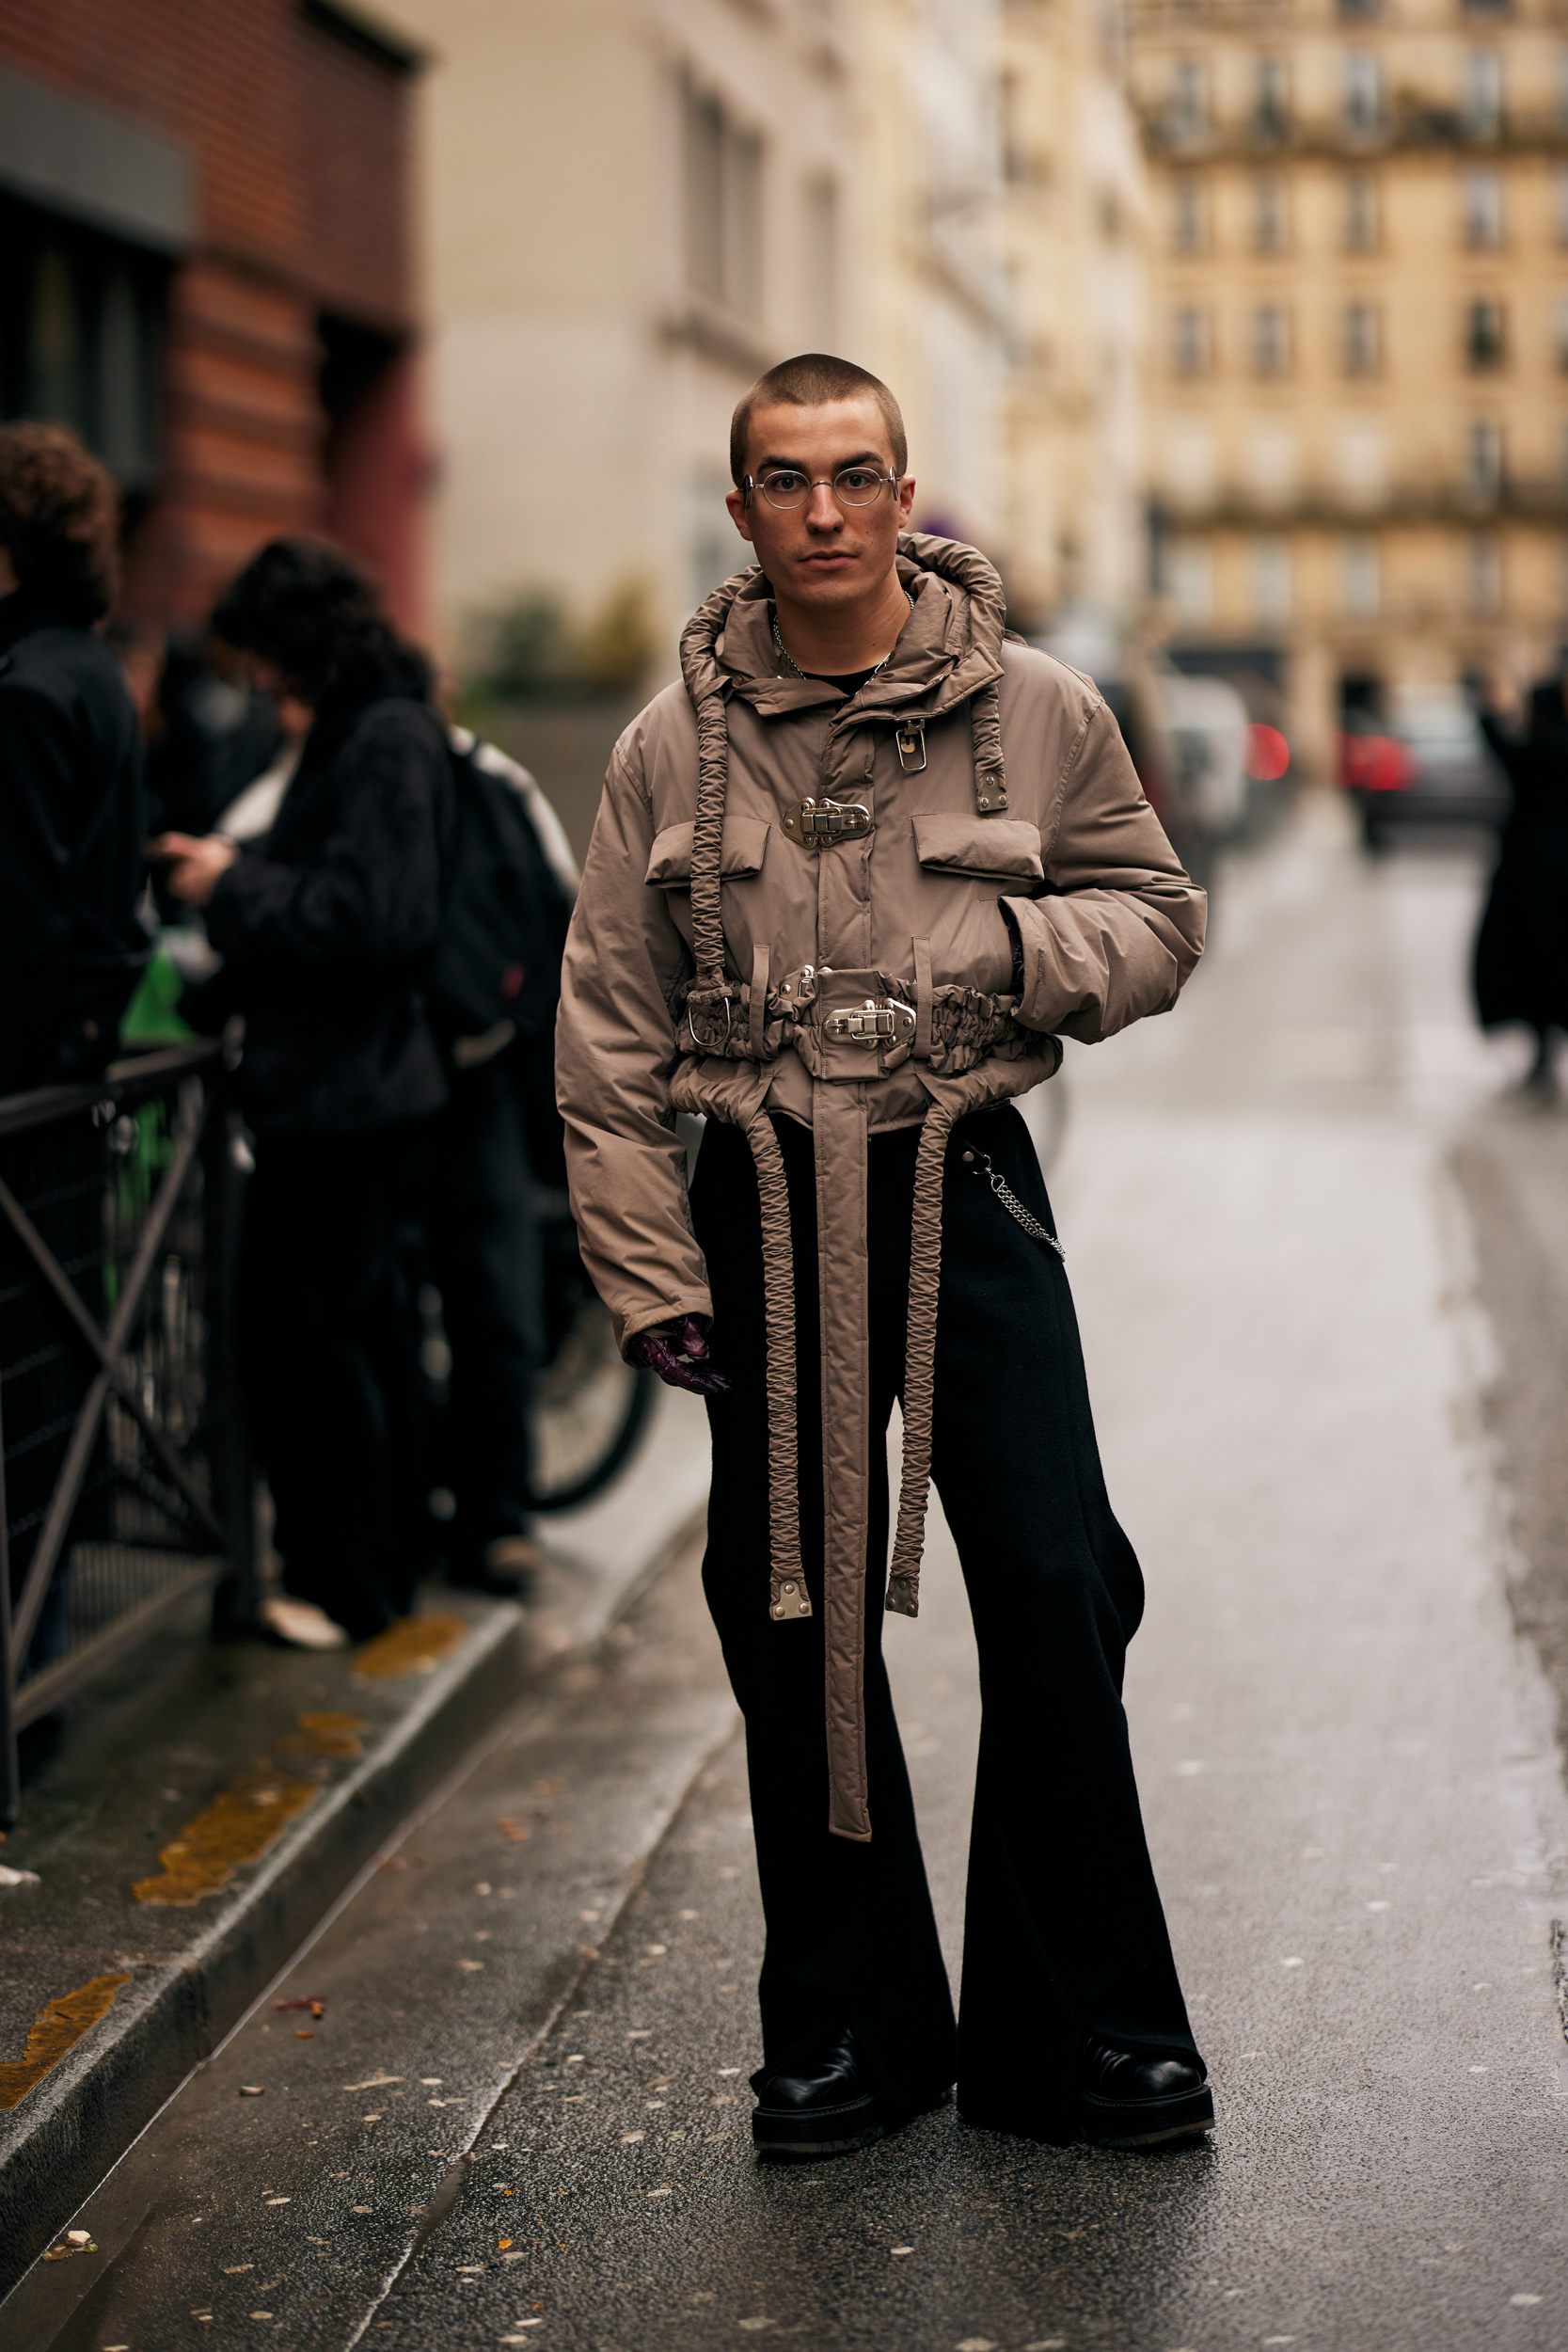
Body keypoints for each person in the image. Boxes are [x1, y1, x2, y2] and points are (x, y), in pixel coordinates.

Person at [556, 354, 1212, 2157]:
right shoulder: (662, 750)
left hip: (962, 1179)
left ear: (904, 491)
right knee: (790, 1620)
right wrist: (648, 1273)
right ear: (743, 507)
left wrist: (1010, 959)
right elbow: (603, 1035)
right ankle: (849, 2028)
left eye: (856, 476)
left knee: (1061, 1580)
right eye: (786, 479)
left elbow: (1155, 917)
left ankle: (1085, 2032)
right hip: (758, 1198)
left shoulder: (1036, 706)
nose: (825, 511)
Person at [157, 538, 454, 1645]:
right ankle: (367, 1572)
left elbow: (378, 917)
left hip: (346, 1099)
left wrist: (231, 885)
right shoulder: (375, 728)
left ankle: (346, 1582)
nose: (260, 682)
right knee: (348, 1337)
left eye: (268, 657)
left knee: (306, 1345)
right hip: (355, 1090)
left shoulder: (379, 737)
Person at [0, 421, 148, 1096]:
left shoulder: (26, 685)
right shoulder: (88, 664)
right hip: (73, 1053)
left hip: (30, 1076)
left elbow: (24, 910)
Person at [1473, 672, 1568, 1094]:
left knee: (1533, 965)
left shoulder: (1539, 748)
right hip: (1542, 875)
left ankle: (1542, 1055)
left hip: (1531, 875)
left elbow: (1498, 742)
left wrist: (1493, 704)